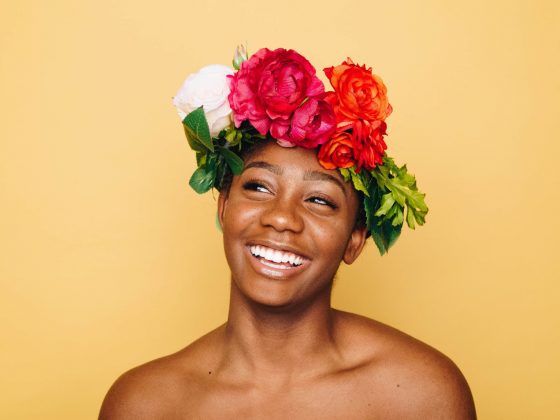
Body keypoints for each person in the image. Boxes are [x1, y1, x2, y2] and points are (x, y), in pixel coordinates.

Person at [99, 47, 476, 419]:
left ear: (355, 239)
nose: (282, 218)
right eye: (259, 187)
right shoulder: (143, 404)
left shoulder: (421, 394)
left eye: (320, 200)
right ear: (224, 206)